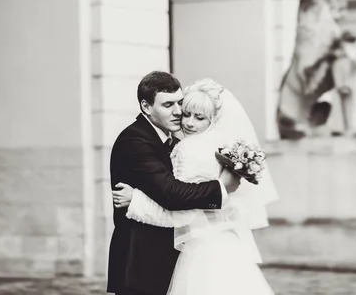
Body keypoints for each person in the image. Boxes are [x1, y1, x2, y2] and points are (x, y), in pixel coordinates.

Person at [112, 78, 278, 295]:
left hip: (201, 248)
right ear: (146, 106)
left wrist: (136, 200)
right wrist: (221, 189)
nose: (183, 117)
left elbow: (179, 206)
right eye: (169, 105)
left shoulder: (191, 148)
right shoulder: (137, 140)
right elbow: (175, 197)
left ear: (212, 120)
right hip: (143, 261)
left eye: (180, 104)